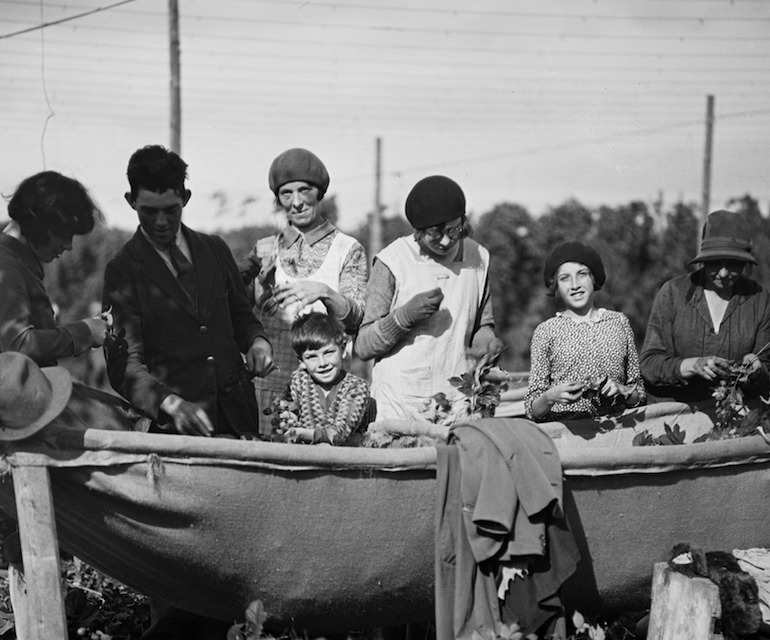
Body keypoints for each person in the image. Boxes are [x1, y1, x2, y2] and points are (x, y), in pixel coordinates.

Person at [103, 145, 274, 438]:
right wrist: (171, 404)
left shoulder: (216, 250)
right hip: (175, 433)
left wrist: (258, 342)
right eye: (149, 211)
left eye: (171, 210)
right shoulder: (122, 270)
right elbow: (126, 367)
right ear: (131, 201)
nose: (160, 222)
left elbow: (242, 317)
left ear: (186, 198)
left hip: (239, 420)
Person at [238, 148, 367, 435]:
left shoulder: (347, 249)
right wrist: (255, 277)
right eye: (286, 194)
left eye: (305, 190)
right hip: (271, 386)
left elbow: (357, 319)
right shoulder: (267, 248)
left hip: (326, 388)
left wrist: (324, 292)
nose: (296, 202)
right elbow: (232, 301)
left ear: (320, 192)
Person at [355, 175, 497, 424]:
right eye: (434, 233)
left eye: (453, 230)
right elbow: (363, 346)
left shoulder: (479, 257)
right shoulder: (393, 261)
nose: (445, 241)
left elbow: (482, 324)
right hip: (400, 406)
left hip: (457, 403)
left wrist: (486, 340)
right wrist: (402, 317)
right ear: (418, 232)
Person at [640, 209, 770, 405]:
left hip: (733, 415)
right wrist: (693, 365)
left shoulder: (758, 299)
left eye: (734, 264)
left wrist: (757, 370)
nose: (724, 273)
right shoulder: (674, 293)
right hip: (674, 413)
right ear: (704, 260)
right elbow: (649, 364)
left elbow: (766, 371)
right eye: (715, 263)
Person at [525, 241, 645, 422]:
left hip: (617, 435)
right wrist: (550, 397)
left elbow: (640, 393)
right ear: (555, 286)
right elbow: (531, 408)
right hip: (566, 437)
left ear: (594, 278)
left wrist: (622, 390)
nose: (575, 285)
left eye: (582, 274)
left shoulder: (618, 322)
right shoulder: (546, 331)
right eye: (564, 278)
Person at [0, 171, 109, 365]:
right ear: (39, 224)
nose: (68, 245)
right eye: (64, 234)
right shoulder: (7, 267)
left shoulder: (16, 264)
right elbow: (19, 345)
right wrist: (83, 332)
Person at [276, 312, 370, 445]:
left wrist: (303, 433)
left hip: (344, 460)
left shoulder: (356, 387)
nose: (322, 363)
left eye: (329, 352)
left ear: (342, 350)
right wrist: (287, 418)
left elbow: (339, 433)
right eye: (312, 357)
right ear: (301, 360)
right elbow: (288, 411)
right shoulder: (298, 381)